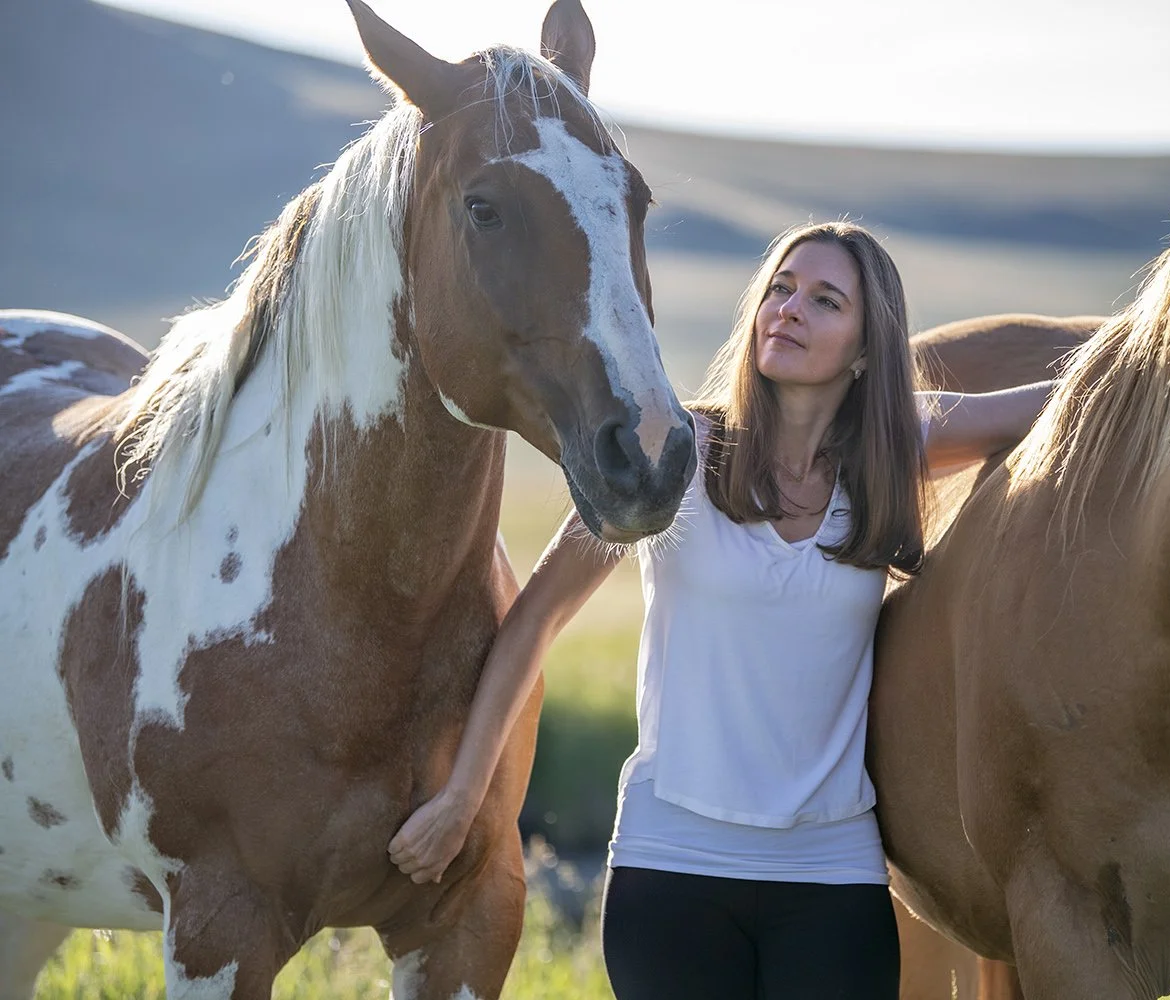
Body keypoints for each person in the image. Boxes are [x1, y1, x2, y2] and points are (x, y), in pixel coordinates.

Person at [388, 220, 1054, 998]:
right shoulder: (672, 452)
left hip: (833, 876)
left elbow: (1057, 402)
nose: (790, 309)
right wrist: (464, 799)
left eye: (825, 300)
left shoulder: (894, 445)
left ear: (868, 349)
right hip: (673, 871)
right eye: (780, 287)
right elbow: (532, 620)